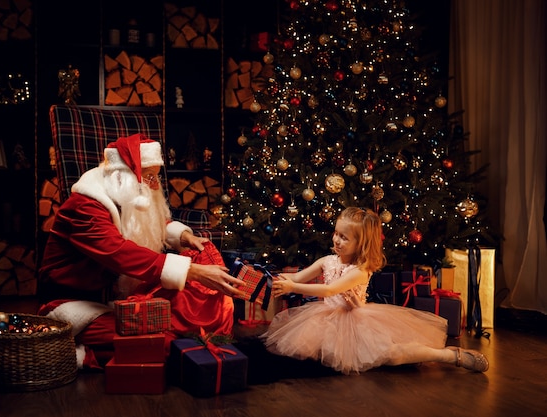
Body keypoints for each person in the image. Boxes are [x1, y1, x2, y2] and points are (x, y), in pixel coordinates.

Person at [37, 133, 244, 370]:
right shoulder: (85, 207)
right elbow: (119, 251)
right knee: (163, 344)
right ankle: (75, 355)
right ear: (121, 176)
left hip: (118, 299)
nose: (156, 184)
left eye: (156, 175)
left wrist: (183, 236)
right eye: (149, 177)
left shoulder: (121, 194)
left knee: (179, 326)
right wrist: (193, 271)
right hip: (71, 304)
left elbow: (145, 222)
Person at [263, 207, 489, 374]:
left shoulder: (360, 270)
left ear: (360, 244)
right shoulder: (327, 261)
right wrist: (273, 279)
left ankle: (448, 356)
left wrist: (293, 287)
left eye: (344, 237)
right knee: (313, 354)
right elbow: (297, 277)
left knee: (392, 354)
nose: (336, 240)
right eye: (336, 233)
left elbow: (330, 290)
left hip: (356, 319)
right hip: (327, 319)